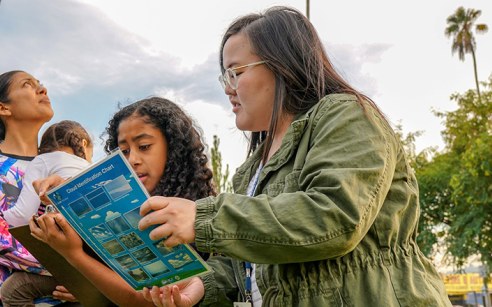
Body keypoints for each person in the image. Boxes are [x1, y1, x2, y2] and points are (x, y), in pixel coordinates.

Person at [138, 7, 452, 307]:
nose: (227, 89)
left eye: (235, 72)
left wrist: (203, 218)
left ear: (281, 66)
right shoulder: (250, 172)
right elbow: (248, 267)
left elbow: (334, 217)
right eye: (224, 77)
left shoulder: (346, 115)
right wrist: (203, 285)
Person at [29, 97, 216, 306]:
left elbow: (142, 300)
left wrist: (74, 255)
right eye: (124, 151)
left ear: (174, 149)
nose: (132, 159)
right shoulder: (123, 205)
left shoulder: (188, 216)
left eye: (144, 146)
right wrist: (63, 195)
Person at [0, 70, 78, 306]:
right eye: (28, 85)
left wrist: (92, 279)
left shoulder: (61, 163)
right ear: (3, 108)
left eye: (40, 84)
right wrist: (76, 269)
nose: (43, 90)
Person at [0, 120, 93, 307]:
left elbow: (21, 215)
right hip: (95, 265)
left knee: (13, 290)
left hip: (67, 259)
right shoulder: (91, 169)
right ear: (83, 143)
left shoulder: (42, 161)